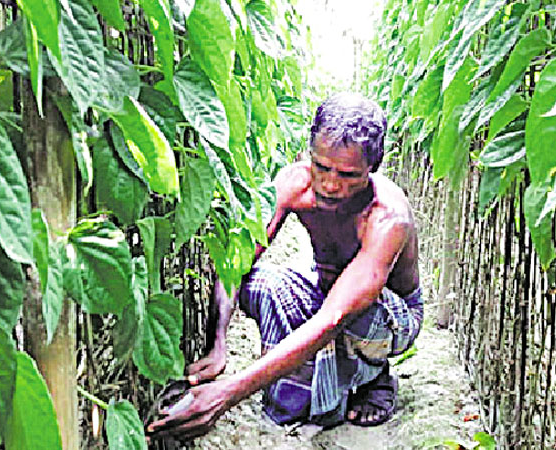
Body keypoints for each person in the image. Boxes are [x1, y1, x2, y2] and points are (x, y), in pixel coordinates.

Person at [147, 92, 423, 442]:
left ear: (373, 169)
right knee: (259, 286)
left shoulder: (387, 219)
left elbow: (334, 318)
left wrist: (226, 394)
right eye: (321, 166)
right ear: (309, 154)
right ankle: (327, 378)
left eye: (348, 174)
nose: (330, 183)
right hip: (326, 292)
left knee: (358, 319)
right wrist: (218, 344)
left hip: (388, 316)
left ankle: (373, 376)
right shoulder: (294, 183)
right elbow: (238, 263)